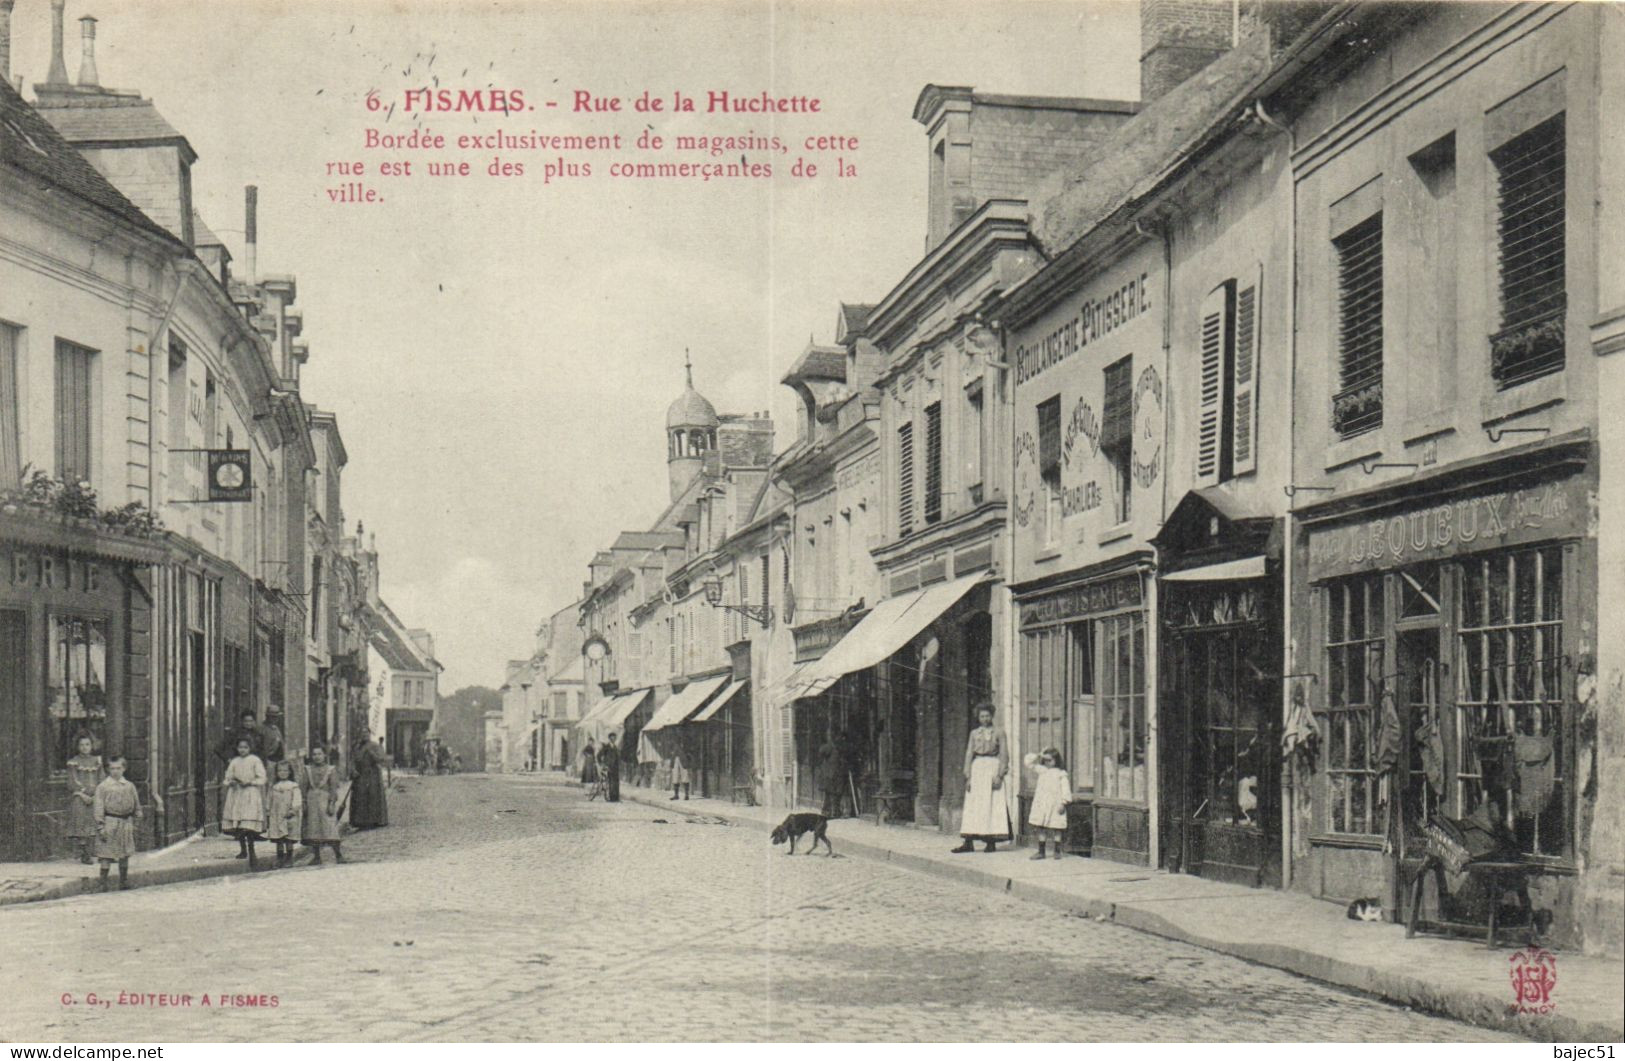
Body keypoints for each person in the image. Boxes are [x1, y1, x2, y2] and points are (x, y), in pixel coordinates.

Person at [951, 703, 1011, 854]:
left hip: (992, 766)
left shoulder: (999, 732)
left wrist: (1000, 775)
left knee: (991, 804)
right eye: (982, 716)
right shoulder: (974, 733)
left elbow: (1004, 754)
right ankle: (968, 842)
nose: (985, 719)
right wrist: (968, 776)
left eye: (987, 716)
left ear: (992, 716)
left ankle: (990, 842)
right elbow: (969, 753)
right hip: (977, 768)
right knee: (973, 805)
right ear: (978, 718)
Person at [92, 755, 142, 891]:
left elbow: (136, 804)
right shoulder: (103, 787)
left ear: (124, 769)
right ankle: (102, 884)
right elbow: (98, 807)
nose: (115, 771)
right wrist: (100, 826)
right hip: (110, 822)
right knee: (106, 853)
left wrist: (137, 819)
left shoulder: (129, 786)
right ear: (108, 770)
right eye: (112, 768)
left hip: (126, 822)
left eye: (118, 768)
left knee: (124, 853)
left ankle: (123, 881)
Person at [223, 737, 268, 867]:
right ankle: (243, 850)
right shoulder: (234, 761)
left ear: (250, 748)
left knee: (248, 823)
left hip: (250, 793)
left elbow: (262, 778)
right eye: (240, 747)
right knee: (239, 823)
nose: (242, 750)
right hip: (237, 794)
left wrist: (250, 782)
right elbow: (227, 777)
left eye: (245, 747)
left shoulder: (255, 760)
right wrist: (231, 782)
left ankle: (252, 851)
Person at [299, 745, 345, 865]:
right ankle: (316, 856)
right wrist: (303, 802)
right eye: (314, 754)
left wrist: (331, 803)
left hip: (325, 801)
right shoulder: (307, 770)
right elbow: (303, 787)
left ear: (324, 755)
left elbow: (333, 788)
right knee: (313, 828)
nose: (317, 757)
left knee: (330, 827)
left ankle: (338, 854)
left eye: (319, 754)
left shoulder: (331, 770)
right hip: (312, 801)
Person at [1025, 747, 1072, 860]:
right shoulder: (1042, 770)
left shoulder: (1061, 774)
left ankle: (1057, 851)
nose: (1047, 763)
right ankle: (1041, 851)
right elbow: (1028, 762)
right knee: (1041, 827)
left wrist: (1063, 802)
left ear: (1056, 760)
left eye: (1050, 760)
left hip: (1055, 804)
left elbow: (1065, 789)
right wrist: (1039, 755)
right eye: (1046, 760)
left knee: (1057, 827)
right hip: (1042, 803)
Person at [65, 734, 103, 864]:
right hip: (80, 796)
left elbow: (101, 779)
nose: (84, 747)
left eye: (87, 744)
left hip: (95, 796)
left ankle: (101, 851)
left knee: (98, 819)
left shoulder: (97, 761)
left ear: (92, 746)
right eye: (81, 745)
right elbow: (72, 781)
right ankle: (84, 852)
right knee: (81, 818)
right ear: (77, 747)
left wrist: (95, 794)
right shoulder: (73, 762)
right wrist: (83, 794)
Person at [265, 759, 303, 868]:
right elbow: (269, 799)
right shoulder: (274, 786)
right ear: (276, 773)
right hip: (276, 815)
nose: (282, 773)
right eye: (280, 771)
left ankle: (289, 858)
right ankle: (279, 858)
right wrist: (268, 810)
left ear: (290, 772)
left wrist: (293, 810)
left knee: (289, 837)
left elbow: (297, 800)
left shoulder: (293, 786)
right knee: (279, 838)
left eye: (285, 770)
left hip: (289, 815)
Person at [350, 731, 390, 829]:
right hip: (360, 774)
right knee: (360, 796)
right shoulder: (357, 747)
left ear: (369, 735)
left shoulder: (375, 745)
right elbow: (353, 760)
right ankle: (359, 821)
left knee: (372, 796)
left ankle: (374, 820)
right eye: (362, 734)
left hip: (373, 775)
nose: (364, 736)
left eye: (366, 734)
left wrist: (372, 754)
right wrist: (353, 770)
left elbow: (382, 759)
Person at [598, 732, 621, 803]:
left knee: (616, 782)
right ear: (609, 738)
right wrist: (602, 764)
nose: (613, 739)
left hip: (616, 767)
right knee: (611, 782)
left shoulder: (616, 747)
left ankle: (616, 798)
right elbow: (599, 755)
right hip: (609, 766)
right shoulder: (606, 747)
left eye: (614, 737)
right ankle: (612, 798)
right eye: (612, 737)